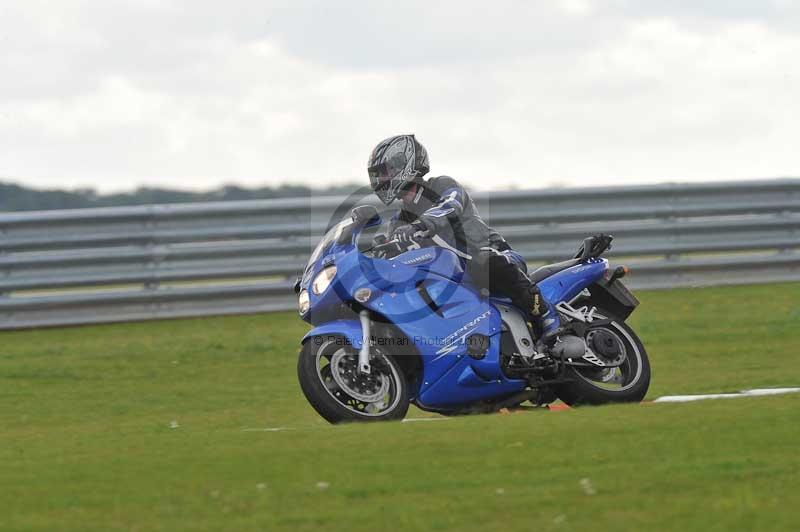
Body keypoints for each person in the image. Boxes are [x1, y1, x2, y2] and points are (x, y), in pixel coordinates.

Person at [367, 134, 560, 348]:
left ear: (403, 164)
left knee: (484, 262)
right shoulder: (399, 220)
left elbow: (451, 205)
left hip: (493, 255)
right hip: (452, 276)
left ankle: (544, 313)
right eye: (378, 175)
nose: (381, 180)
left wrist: (422, 224)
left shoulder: (441, 185)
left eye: (385, 172)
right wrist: (380, 251)